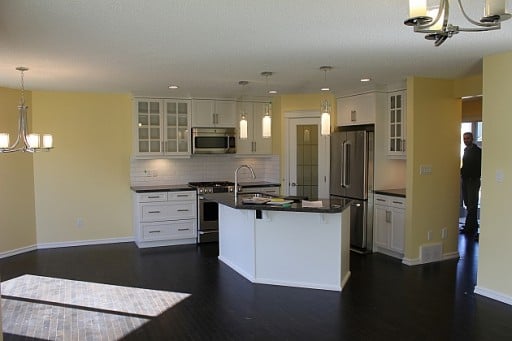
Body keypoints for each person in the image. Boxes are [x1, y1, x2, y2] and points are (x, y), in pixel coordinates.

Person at [460, 132, 482, 238]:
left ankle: (469, 227)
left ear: (472, 138)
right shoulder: (465, 150)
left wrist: (474, 175)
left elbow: (479, 166)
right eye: (464, 138)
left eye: (467, 138)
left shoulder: (478, 151)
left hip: (473, 180)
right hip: (465, 179)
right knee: (467, 203)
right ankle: (474, 224)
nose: (466, 140)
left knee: (472, 203)